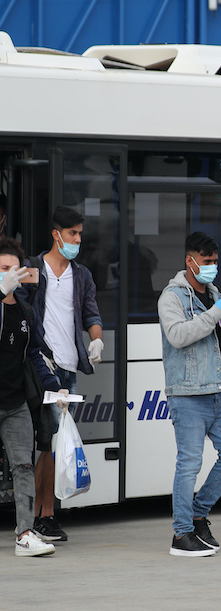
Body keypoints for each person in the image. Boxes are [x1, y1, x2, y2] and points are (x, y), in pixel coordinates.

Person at [19, 205, 103, 542]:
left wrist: (96, 340)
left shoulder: (81, 275)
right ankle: (44, 515)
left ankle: (44, 513)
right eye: (73, 234)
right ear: (57, 235)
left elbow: (90, 313)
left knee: (54, 443)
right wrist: (37, 354)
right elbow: (22, 311)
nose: (78, 239)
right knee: (47, 443)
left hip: (69, 369)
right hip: (44, 369)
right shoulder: (33, 270)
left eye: (80, 233)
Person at [158, 232, 221, 557]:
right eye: (206, 262)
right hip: (188, 394)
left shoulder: (215, 294)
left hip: (219, 394)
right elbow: (178, 335)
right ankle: (181, 535)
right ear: (189, 261)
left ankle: (198, 513)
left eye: (215, 262)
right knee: (189, 464)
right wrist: (214, 314)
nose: (211, 267)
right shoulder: (172, 297)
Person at [0, 237, 61, 556]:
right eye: (2, 269)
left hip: (15, 402)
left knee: (23, 465)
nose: (8, 274)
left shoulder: (24, 309)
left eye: (12, 269)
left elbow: (35, 352)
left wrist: (54, 386)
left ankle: (25, 532)